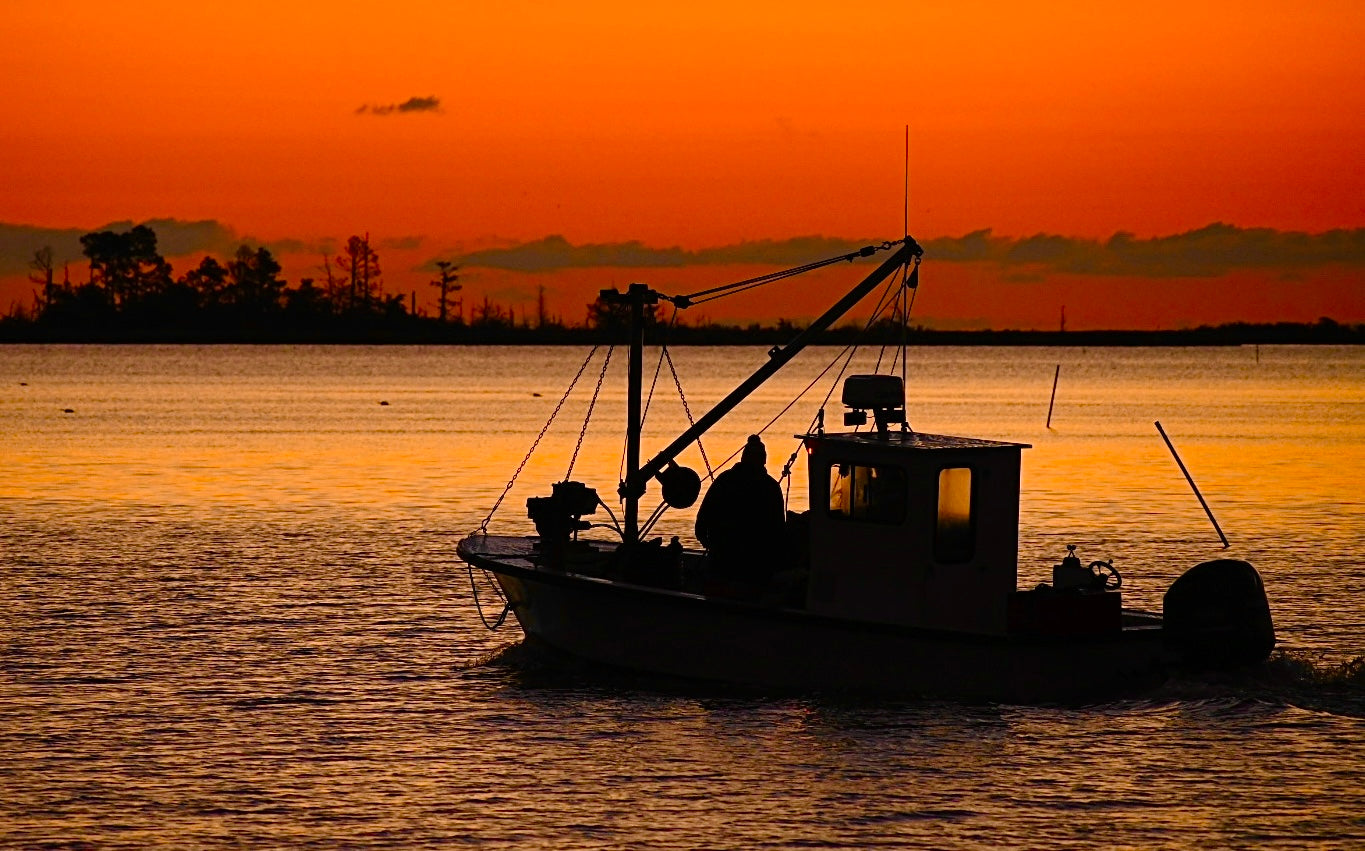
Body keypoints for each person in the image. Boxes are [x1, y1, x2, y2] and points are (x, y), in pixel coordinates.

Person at [694, 435, 786, 598]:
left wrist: (708, 542)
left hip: (725, 561)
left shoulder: (725, 480)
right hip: (754, 567)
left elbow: (703, 519)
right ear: (764, 460)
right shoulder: (770, 487)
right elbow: (778, 530)